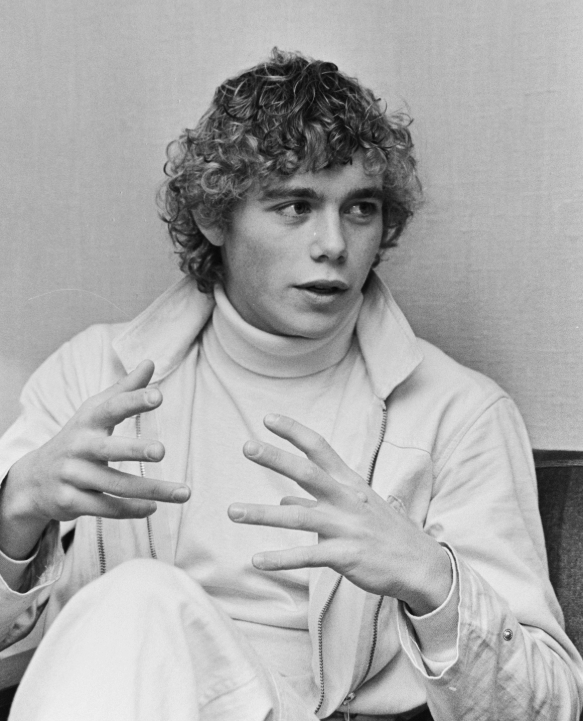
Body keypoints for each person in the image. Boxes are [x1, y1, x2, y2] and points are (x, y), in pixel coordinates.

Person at [0, 49, 581, 721]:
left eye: (359, 208)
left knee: (140, 597)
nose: (334, 244)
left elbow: (548, 707)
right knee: (140, 600)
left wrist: (432, 578)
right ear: (215, 217)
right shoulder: (91, 378)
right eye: (296, 205)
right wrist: (15, 516)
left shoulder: (459, 414)